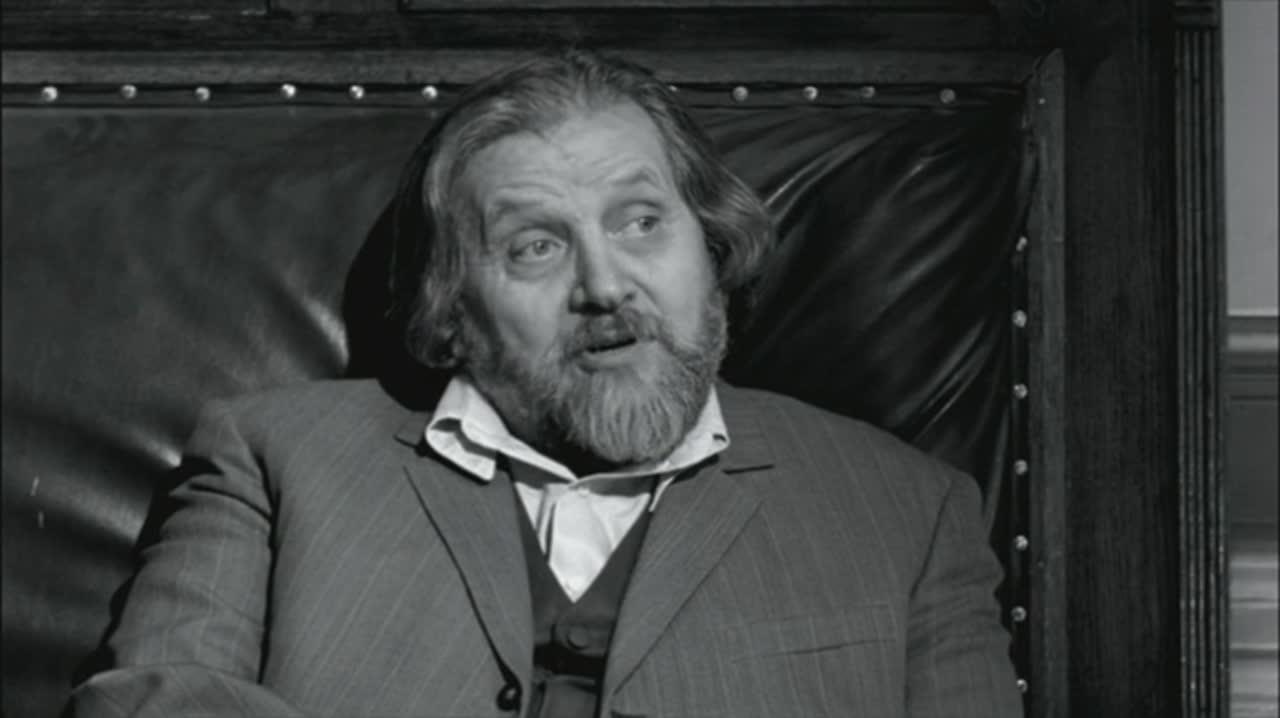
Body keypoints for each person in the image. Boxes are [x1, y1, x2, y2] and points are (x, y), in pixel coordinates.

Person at [67, 48, 1023, 718]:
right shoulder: (271, 460)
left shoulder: (908, 511)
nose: (605, 285)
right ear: (451, 311)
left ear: (712, 248)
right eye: (535, 246)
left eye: (641, 222)